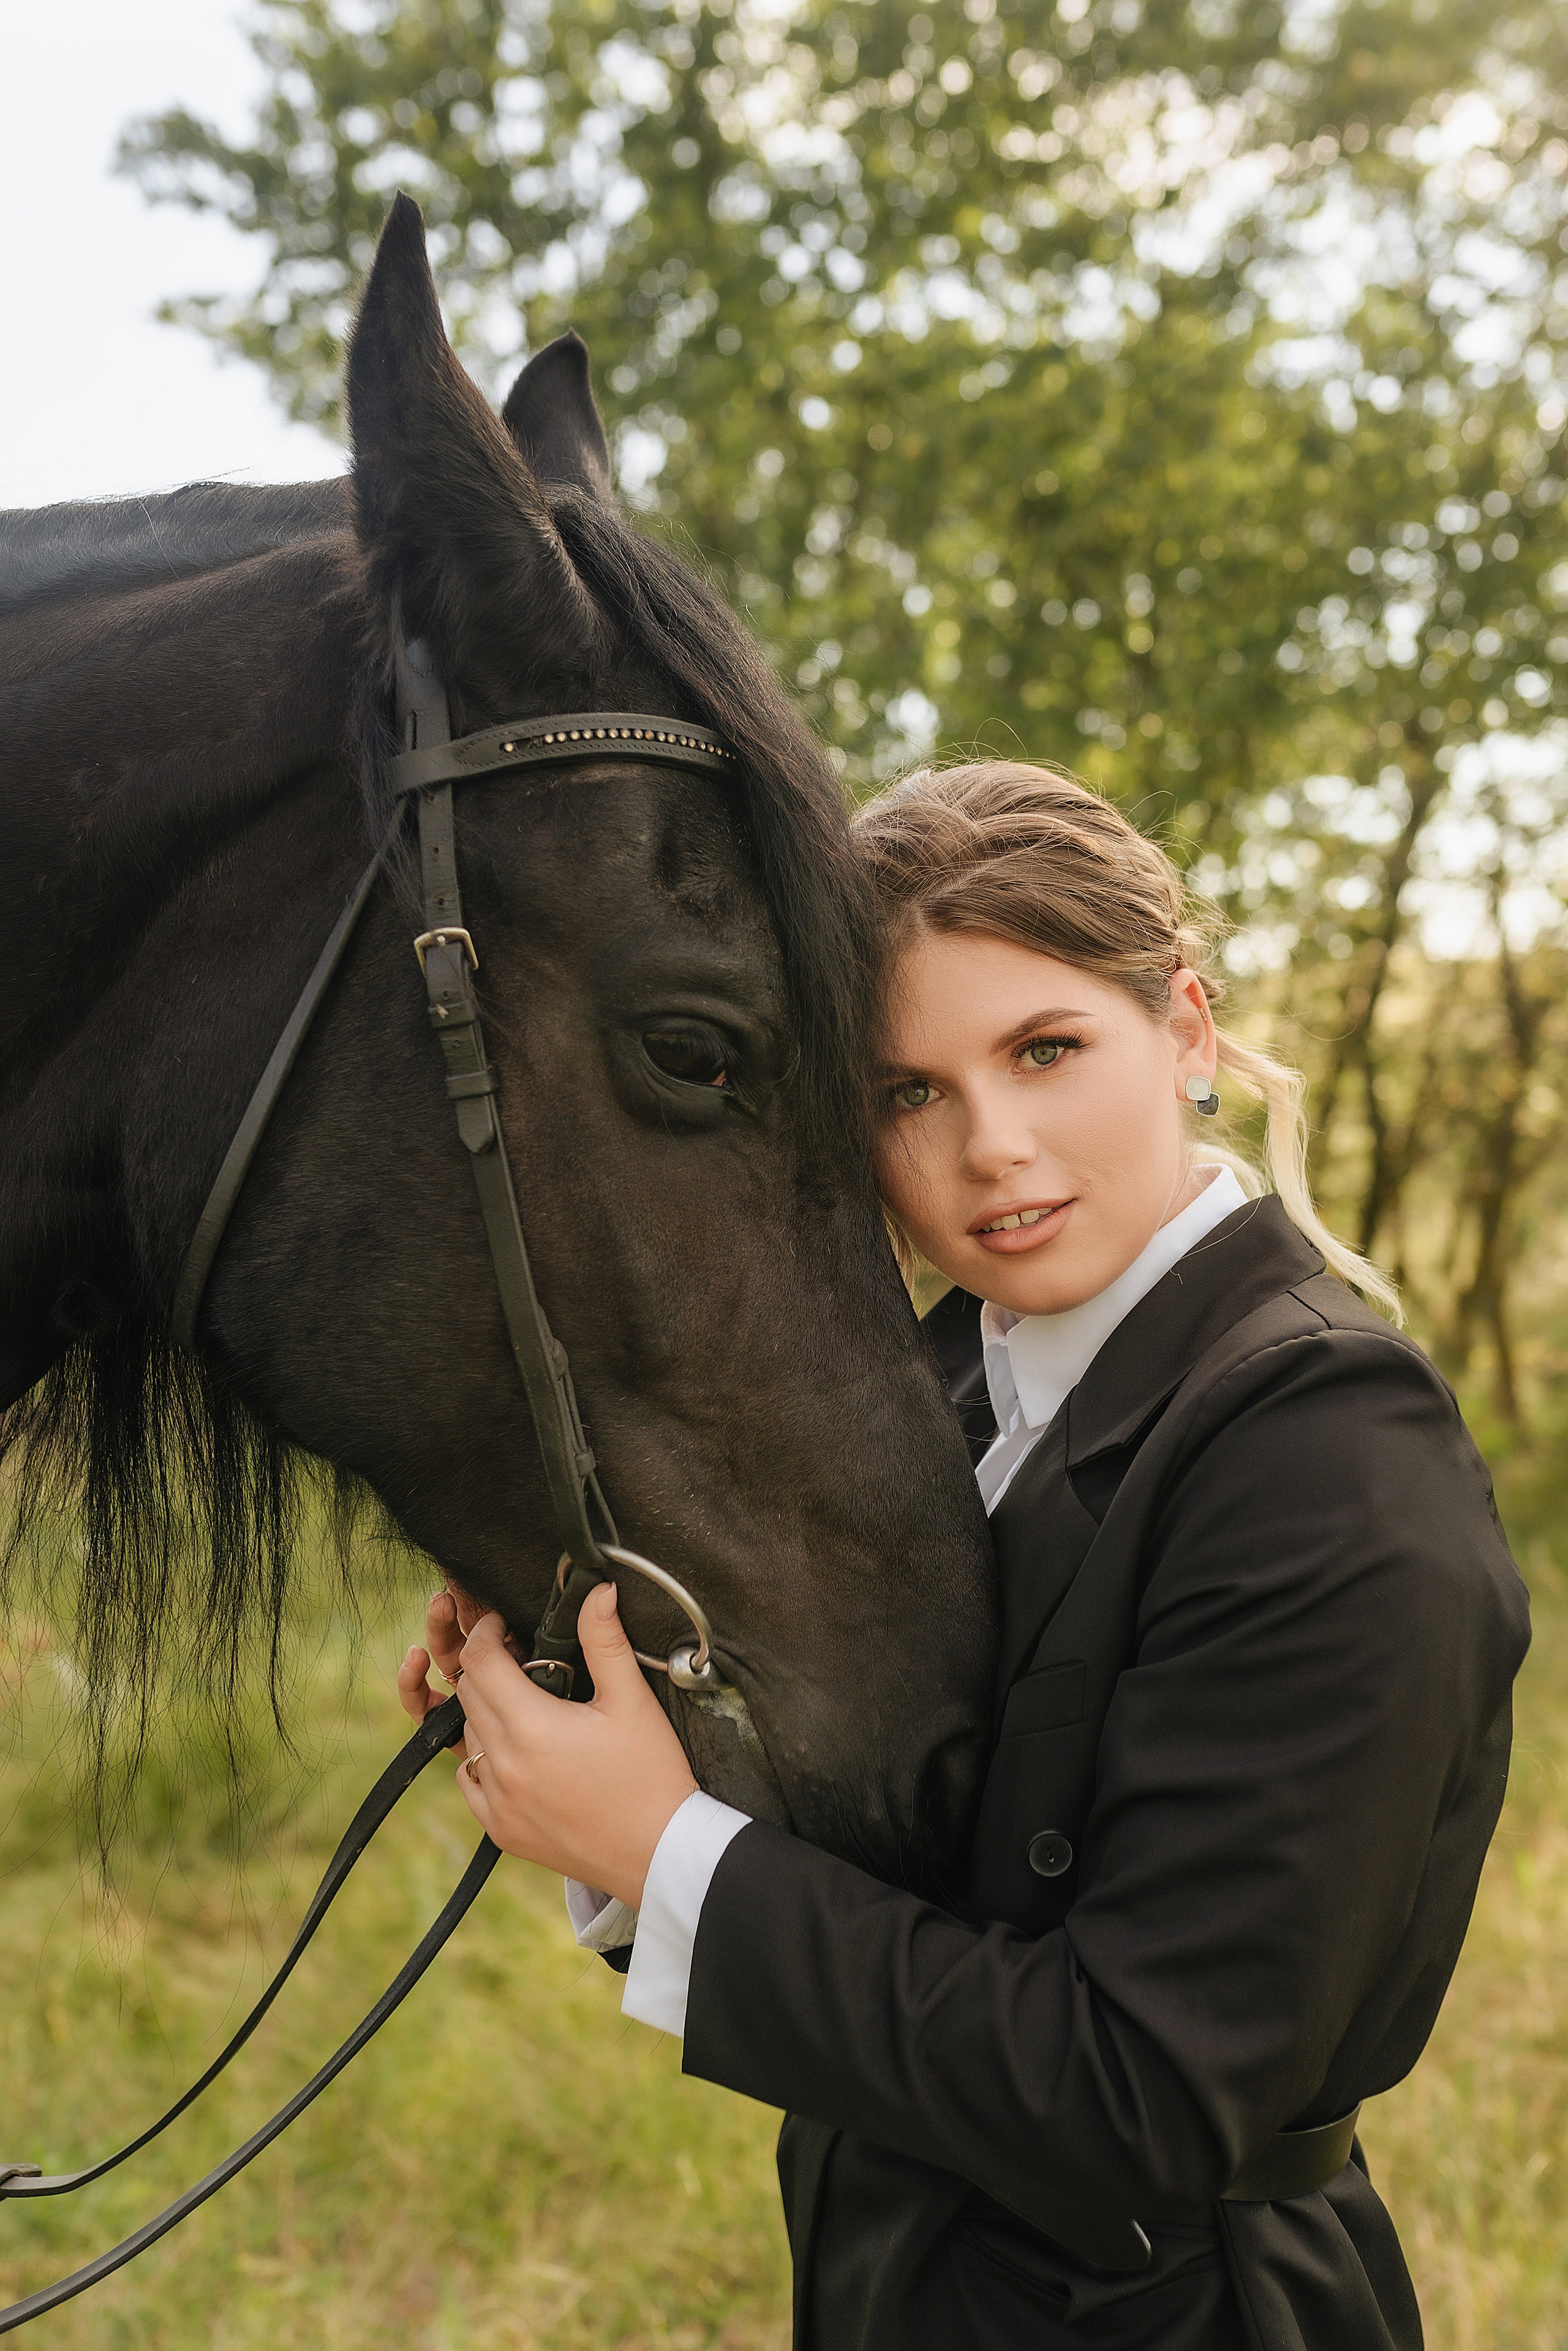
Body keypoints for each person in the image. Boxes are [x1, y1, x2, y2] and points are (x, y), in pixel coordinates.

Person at [399, 761, 1530, 2350]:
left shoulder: (1327, 1456)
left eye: (1047, 1049)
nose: (989, 1145)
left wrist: (664, 1853)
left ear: (1188, 1030)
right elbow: (900, 1899)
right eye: (904, 1091)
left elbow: (1140, 2095)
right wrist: (602, 1722)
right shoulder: (928, 1399)